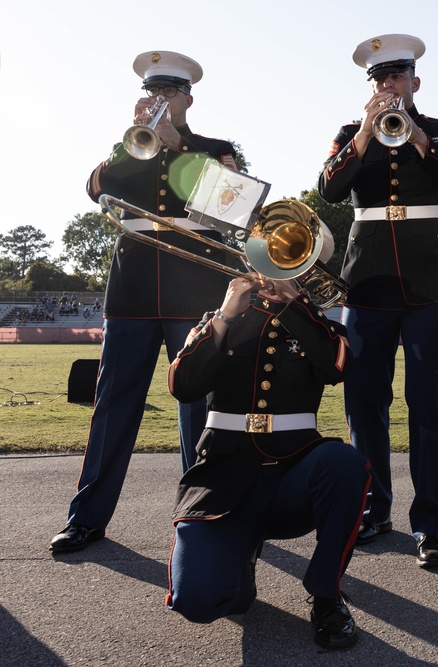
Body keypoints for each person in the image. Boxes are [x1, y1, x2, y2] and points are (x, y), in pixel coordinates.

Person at [50, 51, 238, 554]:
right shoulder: (131, 149)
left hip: (193, 293)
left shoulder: (214, 149)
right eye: (152, 93)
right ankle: (87, 517)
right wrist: (128, 143)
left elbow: (234, 209)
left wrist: (179, 149)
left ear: (188, 99)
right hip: (132, 292)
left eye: (169, 93)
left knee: (198, 406)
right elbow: (94, 187)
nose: (158, 101)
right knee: (113, 406)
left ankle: (201, 512)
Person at [317, 34, 438, 568]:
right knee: (364, 406)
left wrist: (417, 139)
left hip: (432, 283)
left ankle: (432, 526)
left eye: (396, 78)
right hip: (367, 284)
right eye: (379, 80)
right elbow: (329, 190)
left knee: (428, 407)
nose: (388, 86)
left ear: (415, 82)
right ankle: (372, 508)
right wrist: (366, 132)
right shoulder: (349, 133)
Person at [165, 272, 369, 650]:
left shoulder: (317, 324)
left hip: (293, 479)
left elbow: (337, 368)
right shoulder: (218, 319)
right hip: (223, 481)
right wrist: (226, 314)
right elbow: (183, 386)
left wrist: (296, 304)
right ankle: (242, 560)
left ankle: (327, 596)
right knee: (197, 601)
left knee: (344, 462)